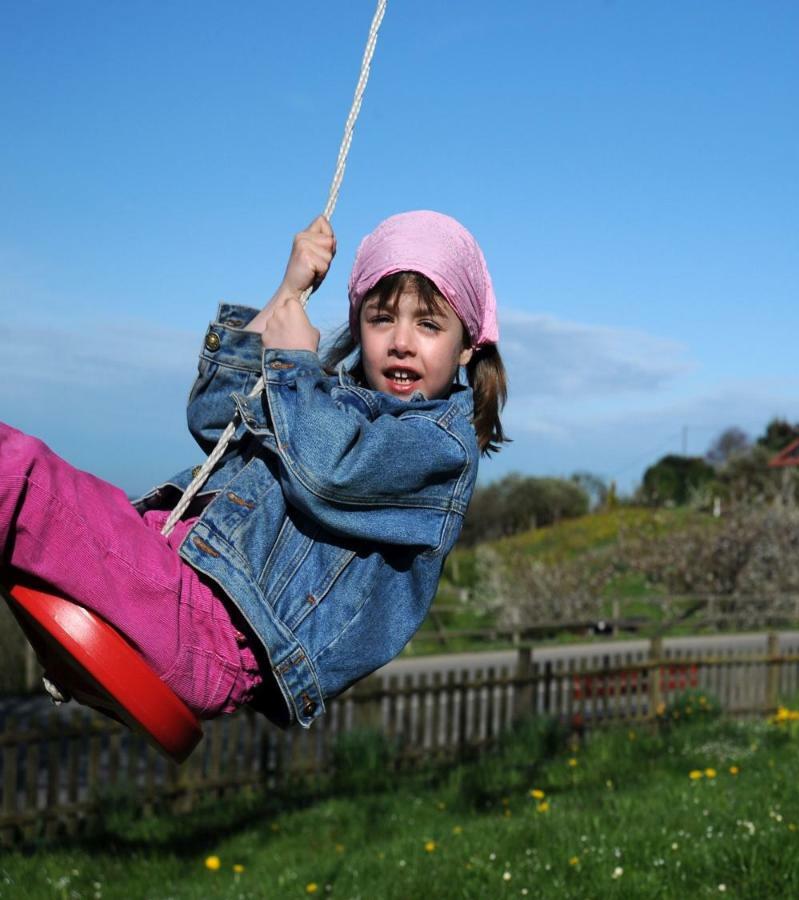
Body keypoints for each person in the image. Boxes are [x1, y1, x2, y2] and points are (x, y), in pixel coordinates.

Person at [0, 210, 506, 727]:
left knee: (18, 477)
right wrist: (287, 292)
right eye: (381, 319)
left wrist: (293, 362)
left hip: (212, 629)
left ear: (467, 344)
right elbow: (215, 418)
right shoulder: (322, 403)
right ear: (358, 329)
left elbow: (331, 476)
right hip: (169, 574)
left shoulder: (440, 448)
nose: (401, 340)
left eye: (427, 324)